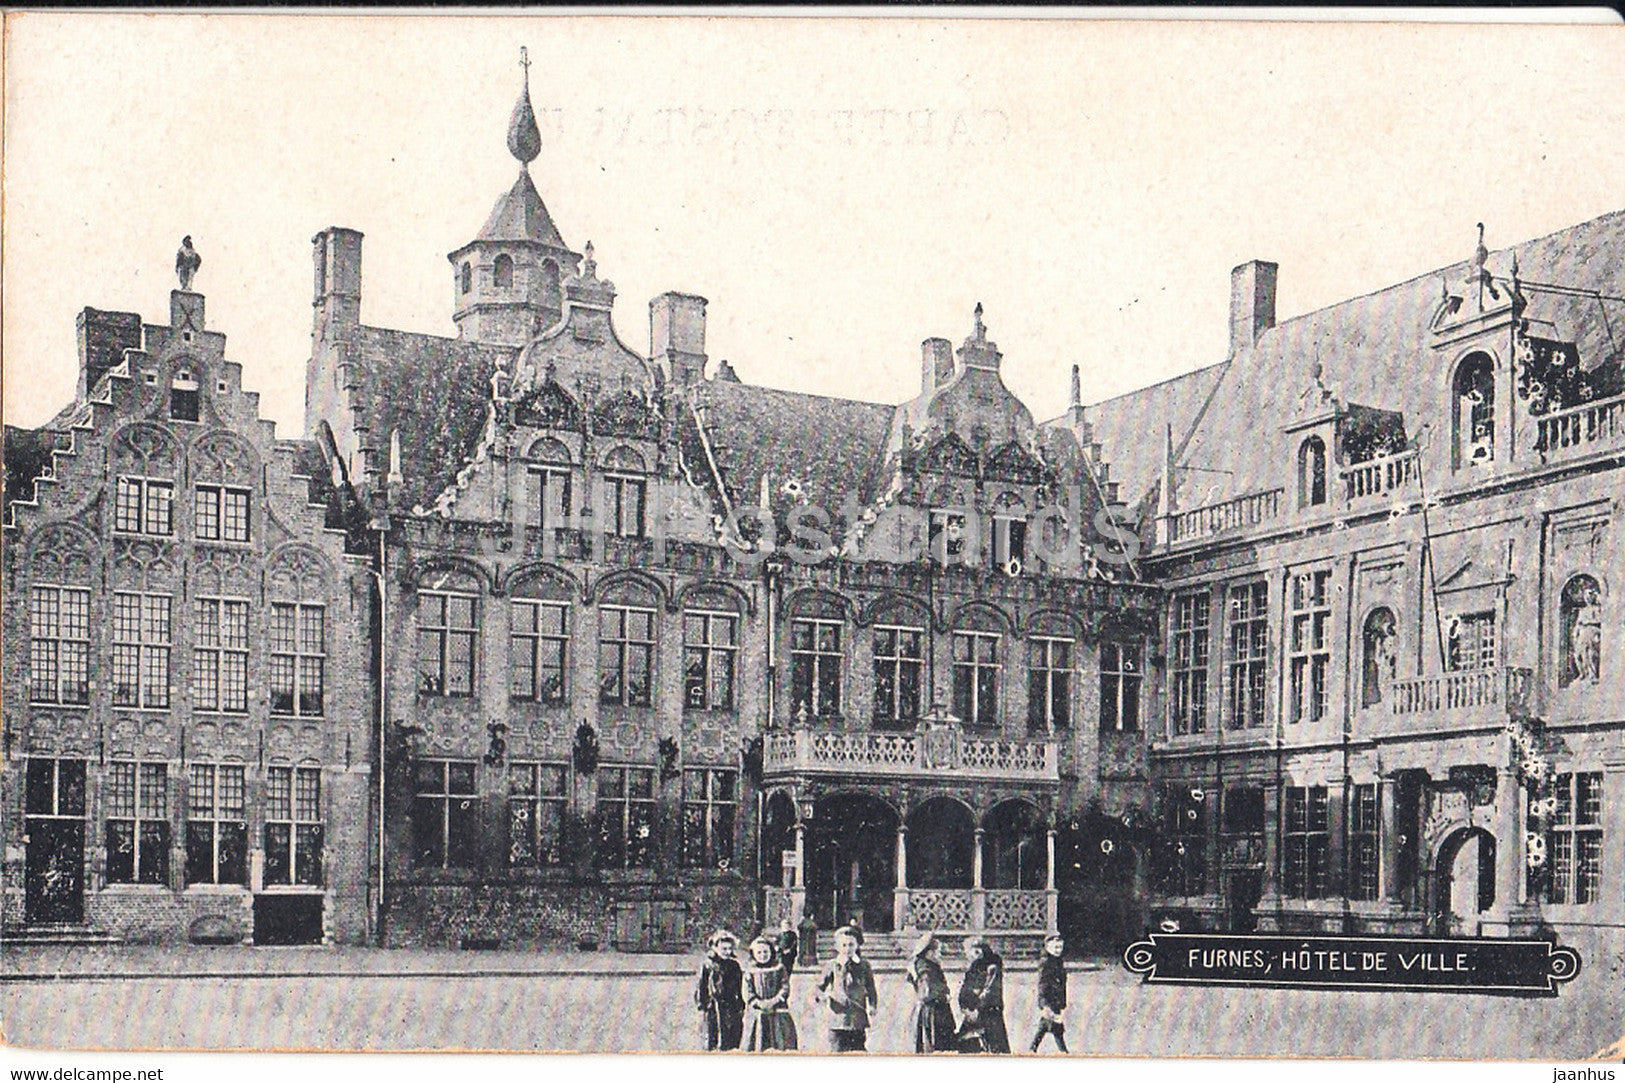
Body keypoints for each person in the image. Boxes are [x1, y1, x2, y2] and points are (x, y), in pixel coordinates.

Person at [815, 925, 878, 1052]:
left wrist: (872, 1006)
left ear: (857, 946)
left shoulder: (864, 965)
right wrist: (823, 997)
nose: (847, 948)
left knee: (858, 1050)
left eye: (851, 944)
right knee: (837, 1050)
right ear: (837, 947)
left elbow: (871, 988)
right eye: (843, 945)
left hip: (857, 1017)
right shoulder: (832, 965)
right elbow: (819, 987)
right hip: (837, 1017)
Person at [955, 935, 1010, 1054]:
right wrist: (965, 1009)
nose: (967, 955)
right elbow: (965, 990)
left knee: (994, 1048)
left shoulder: (992, 967)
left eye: (968, 951)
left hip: (987, 1013)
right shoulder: (974, 967)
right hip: (972, 1014)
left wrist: (976, 1009)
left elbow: (989, 991)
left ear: (978, 951)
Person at [745, 936, 799, 1051]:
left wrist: (775, 1000)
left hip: (778, 1009)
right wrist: (758, 1003)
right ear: (753, 954)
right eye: (759, 952)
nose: (763, 955)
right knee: (760, 1038)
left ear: (771, 952)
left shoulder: (779, 968)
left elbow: (784, 986)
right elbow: (748, 991)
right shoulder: (750, 971)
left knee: (780, 1038)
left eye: (765, 952)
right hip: (759, 1010)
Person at [906, 933, 957, 1053]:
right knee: (933, 1042)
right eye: (937, 951)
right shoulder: (923, 966)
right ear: (929, 952)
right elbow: (926, 988)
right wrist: (941, 993)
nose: (939, 955)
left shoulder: (933, 965)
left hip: (939, 1007)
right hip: (932, 1009)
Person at [695, 929, 745, 1051]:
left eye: (730, 949)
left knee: (732, 1035)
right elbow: (702, 987)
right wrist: (702, 1006)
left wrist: (740, 1005)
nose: (727, 952)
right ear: (715, 948)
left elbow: (738, 988)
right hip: (713, 1006)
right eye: (724, 949)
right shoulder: (708, 965)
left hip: (731, 1006)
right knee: (713, 1034)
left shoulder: (734, 966)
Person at [1029, 932, 1069, 1053]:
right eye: (1055, 947)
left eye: (1060, 947)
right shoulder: (1046, 962)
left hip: (1056, 997)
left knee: (1047, 1023)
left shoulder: (1057, 961)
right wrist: (1045, 1003)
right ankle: (1063, 1051)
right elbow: (1043, 984)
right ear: (1048, 947)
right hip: (1050, 997)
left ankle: (1033, 1047)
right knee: (1056, 1023)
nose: (1058, 950)